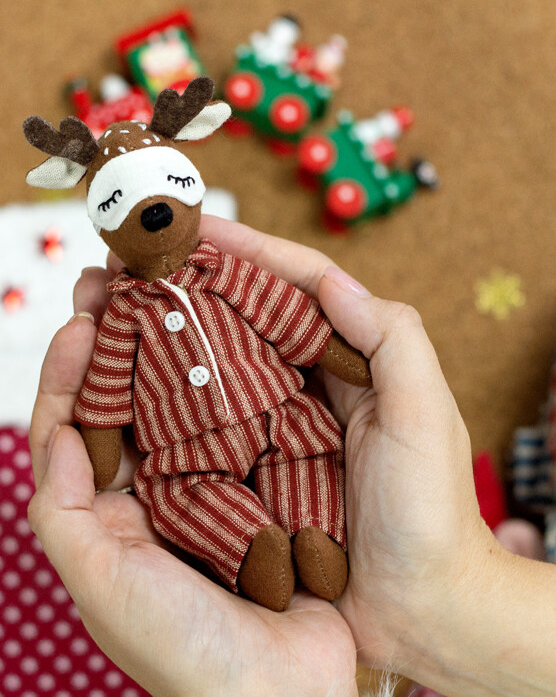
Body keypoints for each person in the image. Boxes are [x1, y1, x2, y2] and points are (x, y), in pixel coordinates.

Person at [27, 215, 556, 696]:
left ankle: (317, 537)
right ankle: (252, 549)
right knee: (184, 495)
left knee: (309, 454)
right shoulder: (125, 312)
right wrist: (100, 435)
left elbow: (283, 313)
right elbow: (108, 378)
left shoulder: (224, 270)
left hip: (280, 409)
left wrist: (332, 351)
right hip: (186, 451)